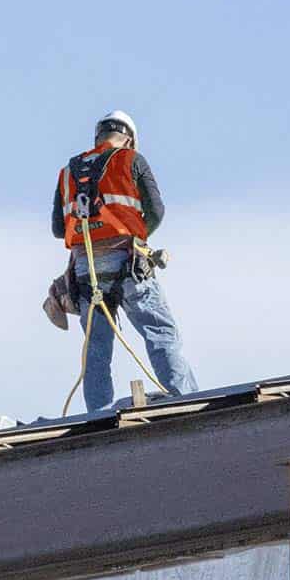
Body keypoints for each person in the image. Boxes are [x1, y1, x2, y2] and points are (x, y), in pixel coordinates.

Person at [50, 110, 198, 411]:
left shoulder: (68, 172)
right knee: (160, 332)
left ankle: (97, 415)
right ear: (129, 139)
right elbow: (156, 211)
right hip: (128, 261)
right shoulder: (131, 160)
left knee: (96, 347)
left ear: (97, 137)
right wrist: (140, 237)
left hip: (86, 269)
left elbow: (57, 228)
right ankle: (185, 400)